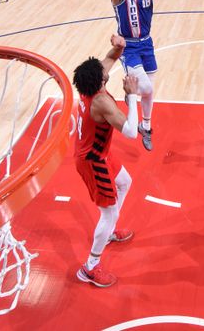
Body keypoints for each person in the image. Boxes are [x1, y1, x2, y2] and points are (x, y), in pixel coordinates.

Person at [102, 0, 197, 151]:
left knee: (150, 90)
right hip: (129, 47)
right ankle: (130, 95)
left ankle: (146, 126)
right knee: (145, 88)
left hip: (147, 43)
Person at [73, 34, 140, 288]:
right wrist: (130, 96)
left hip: (97, 151)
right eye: (103, 73)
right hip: (92, 161)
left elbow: (110, 59)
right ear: (100, 83)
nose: (105, 69)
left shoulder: (90, 85)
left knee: (125, 182)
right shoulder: (101, 102)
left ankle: (109, 230)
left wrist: (118, 47)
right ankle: (90, 267)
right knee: (109, 211)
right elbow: (132, 132)